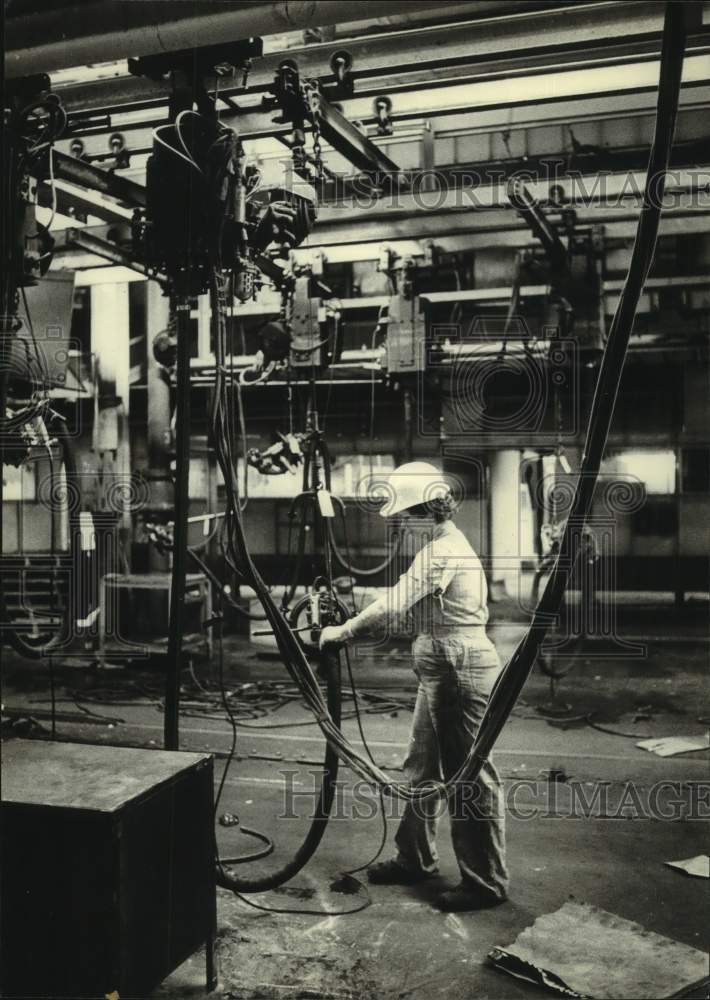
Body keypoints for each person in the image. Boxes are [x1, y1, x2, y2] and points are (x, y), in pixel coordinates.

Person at [320, 461, 508, 912]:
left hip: (457, 667)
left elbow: (394, 606)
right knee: (422, 766)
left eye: (403, 518)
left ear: (424, 511)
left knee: (469, 778)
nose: (400, 527)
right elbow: (401, 598)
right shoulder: (439, 547)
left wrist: (341, 632)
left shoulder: (440, 551)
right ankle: (414, 858)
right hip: (443, 666)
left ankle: (485, 884)